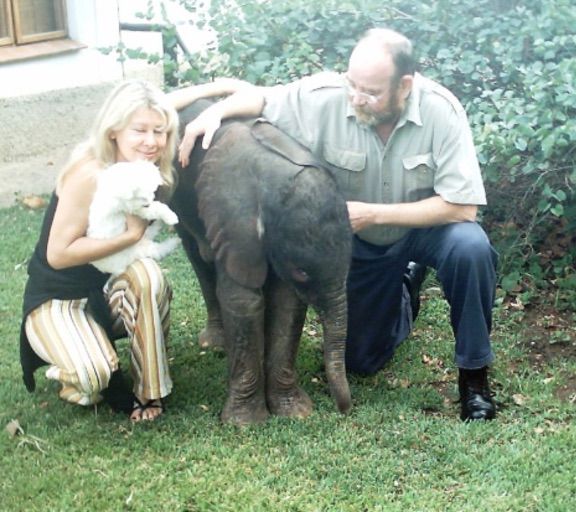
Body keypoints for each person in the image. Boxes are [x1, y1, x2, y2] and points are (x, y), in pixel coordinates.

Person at [178, 28, 499, 421]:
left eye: (371, 92)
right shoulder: (325, 97)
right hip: (360, 242)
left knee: (472, 247)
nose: (357, 98)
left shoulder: (441, 111)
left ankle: (474, 378)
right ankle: (404, 290)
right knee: (362, 359)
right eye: (353, 85)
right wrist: (211, 112)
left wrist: (375, 213)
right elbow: (259, 97)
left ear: (405, 85)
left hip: (426, 228)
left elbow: (462, 208)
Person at [19, 79, 212, 422]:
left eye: (160, 131)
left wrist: (221, 88)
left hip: (108, 291)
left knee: (149, 275)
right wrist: (130, 236)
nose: (151, 142)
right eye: (140, 130)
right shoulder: (90, 171)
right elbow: (58, 254)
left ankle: (150, 392)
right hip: (58, 300)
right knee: (94, 378)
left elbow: (158, 107)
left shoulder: (146, 168)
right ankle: (69, 372)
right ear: (114, 130)